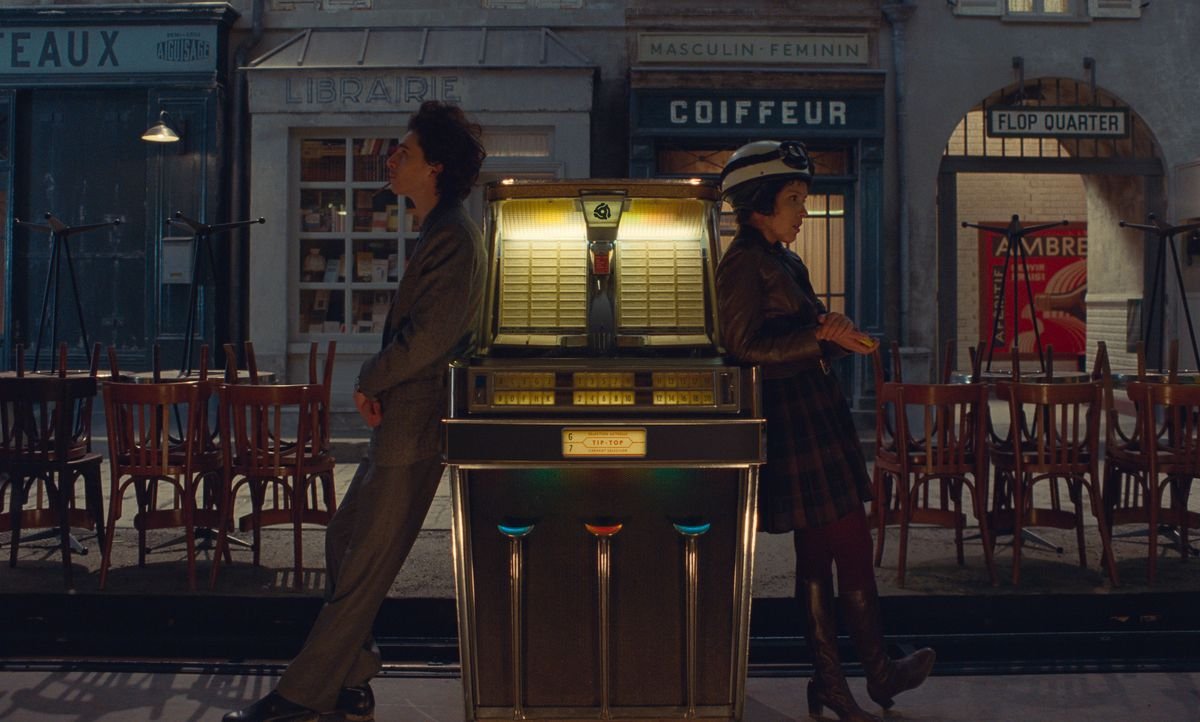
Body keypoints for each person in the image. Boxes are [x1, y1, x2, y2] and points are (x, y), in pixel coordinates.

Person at [224, 101, 488, 722]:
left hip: (417, 422)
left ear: (437, 167)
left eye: (405, 152)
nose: (390, 160)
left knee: (367, 559)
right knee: (347, 538)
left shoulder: (453, 235)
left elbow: (429, 337)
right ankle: (352, 674)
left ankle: (301, 695)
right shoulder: (438, 229)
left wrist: (369, 378)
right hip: (402, 417)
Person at [715, 140, 934, 722]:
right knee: (851, 542)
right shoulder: (742, 262)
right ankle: (874, 676)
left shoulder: (783, 259)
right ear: (759, 204)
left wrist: (831, 332)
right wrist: (820, 337)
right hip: (792, 416)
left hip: (812, 406)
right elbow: (740, 347)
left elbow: (799, 330)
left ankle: (836, 685)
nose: (803, 212)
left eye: (804, 199)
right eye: (793, 200)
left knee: (819, 554)